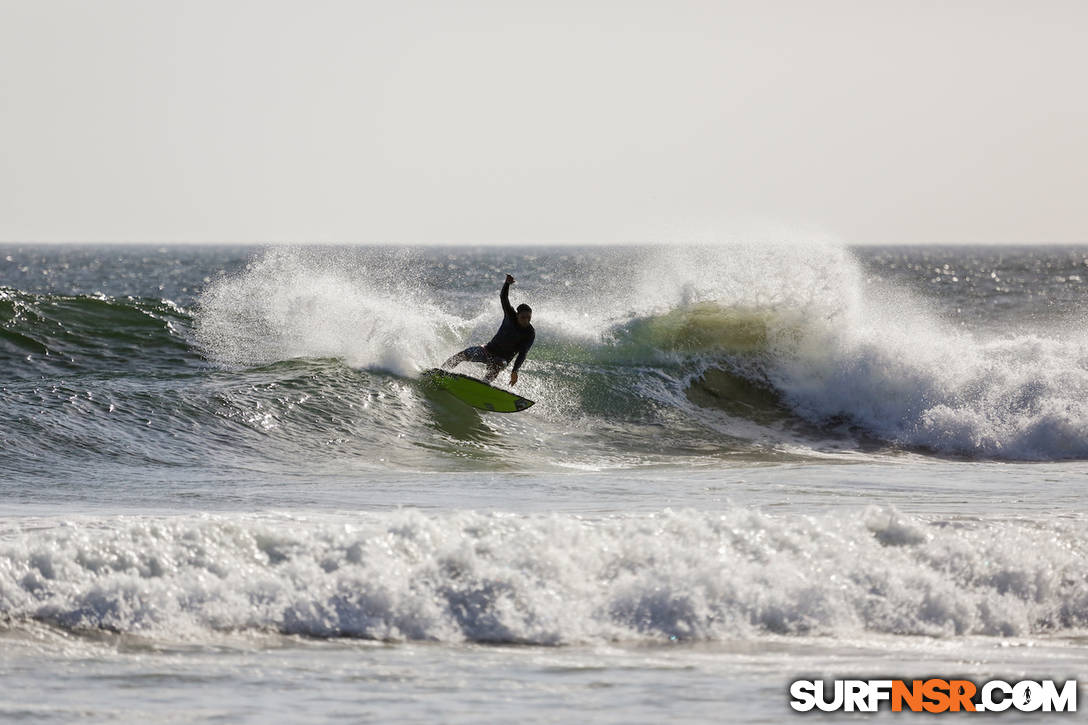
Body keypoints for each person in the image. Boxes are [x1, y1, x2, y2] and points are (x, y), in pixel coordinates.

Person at [443, 274, 535, 385]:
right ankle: (441, 371)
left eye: (528, 317)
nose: (526, 320)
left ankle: (484, 384)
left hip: (502, 359)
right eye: (523, 317)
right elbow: (503, 298)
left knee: (498, 363)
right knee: (463, 355)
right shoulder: (510, 315)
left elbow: (523, 353)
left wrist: (515, 371)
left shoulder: (529, 333)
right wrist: (507, 284)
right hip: (488, 350)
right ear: (517, 315)